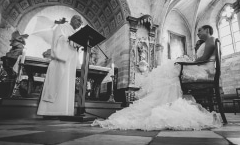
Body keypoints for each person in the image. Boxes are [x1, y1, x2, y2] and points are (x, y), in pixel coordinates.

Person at [91, 25, 222, 131]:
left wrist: (189, 61)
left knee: (172, 71)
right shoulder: (208, 41)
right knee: (172, 72)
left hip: (204, 71)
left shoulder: (210, 40)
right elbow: (203, 58)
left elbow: (204, 59)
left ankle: (164, 103)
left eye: (200, 30)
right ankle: (166, 103)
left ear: (207, 30)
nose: (198, 33)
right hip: (202, 69)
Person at [37, 15, 83, 116]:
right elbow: (58, 40)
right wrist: (71, 40)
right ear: (72, 19)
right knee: (56, 85)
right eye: (79, 20)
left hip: (70, 65)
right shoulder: (62, 27)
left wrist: (77, 42)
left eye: (81, 22)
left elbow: (74, 47)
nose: (80, 23)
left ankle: (65, 112)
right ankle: (51, 112)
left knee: (67, 88)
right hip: (60, 61)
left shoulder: (75, 32)